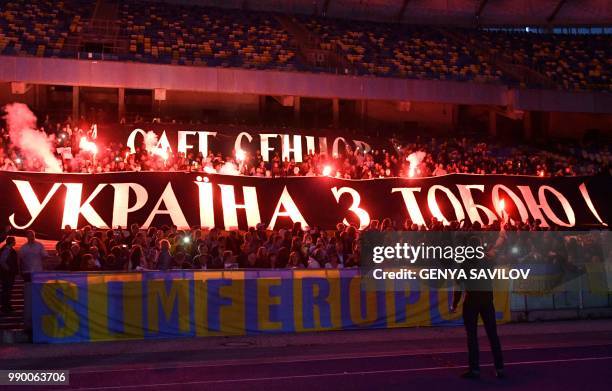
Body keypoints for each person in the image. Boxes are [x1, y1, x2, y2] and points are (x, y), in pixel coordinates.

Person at [451, 235, 504, 379]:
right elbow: (496, 250)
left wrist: (454, 304)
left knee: (472, 337)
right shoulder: (488, 261)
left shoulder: (465, 263)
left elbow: (458, 286)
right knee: (493, 335)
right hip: (487, 300)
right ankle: (500, 368)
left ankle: (475, 369)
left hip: (472, 301)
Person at [0, 236, 18, 313]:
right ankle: (5, 306)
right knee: (7, 289)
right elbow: (2, 261)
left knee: (7, 289)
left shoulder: (7, 249)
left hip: (7, 273)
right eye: (14, 241)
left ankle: (6, 305)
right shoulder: (7, 250)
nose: (15, 242)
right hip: (8, 274)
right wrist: (9, 270)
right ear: (12, 242)